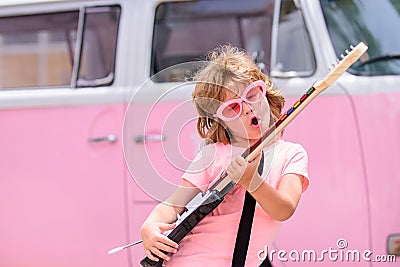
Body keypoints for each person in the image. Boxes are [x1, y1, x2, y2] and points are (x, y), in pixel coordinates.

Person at [140, 45, 310, 266]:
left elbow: (284, 209)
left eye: (252, 95)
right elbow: (173, 206)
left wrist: (252, 182)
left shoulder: (291, 155)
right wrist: (151, 225)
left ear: (265, 94)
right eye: (232, 108)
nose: (248, 108)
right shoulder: (213, 154)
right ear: (221, 121)